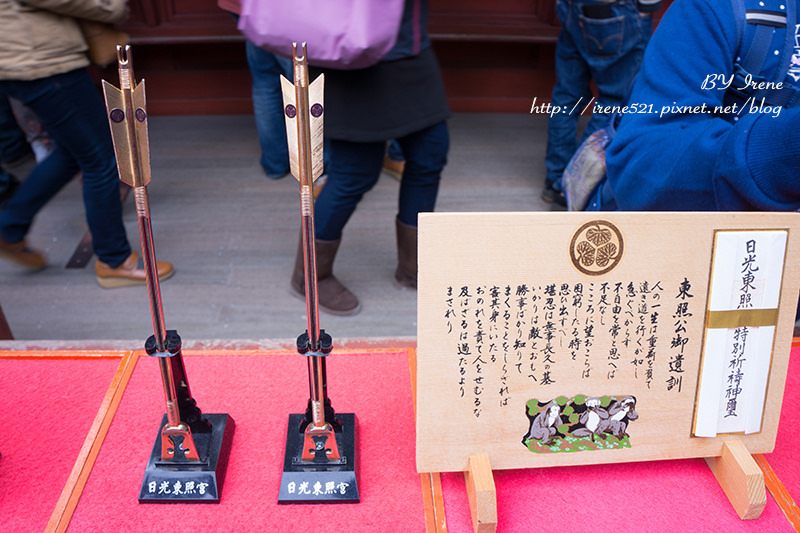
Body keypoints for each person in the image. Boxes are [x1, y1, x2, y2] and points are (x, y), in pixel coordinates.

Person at [290, 0, 451, 316]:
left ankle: (411, 267)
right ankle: (309, 276)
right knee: (355, 173)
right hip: (353, 52)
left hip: (410, 47)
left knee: (429, 154)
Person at [0, 0, 173, 286]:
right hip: (42, 61)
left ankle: (10, 227)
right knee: (103, 158)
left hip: (27, 57)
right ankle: (114, 260)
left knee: (72, 152)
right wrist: (109, 6)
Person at [591, 0, 800, 211]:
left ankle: (558, 174)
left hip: (591, 17)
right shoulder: (721, 9)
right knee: (608, 96)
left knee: (576, 93)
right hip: (617, 18)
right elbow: (643, 163)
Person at [543, 0, 659, 206]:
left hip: (571, 7)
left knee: (567, 96)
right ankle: (573, 186)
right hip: (619, 10)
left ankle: (556, 179)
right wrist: (646, 8)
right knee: (613, 101)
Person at [218, 0, 293, 180]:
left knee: (265, 82)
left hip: (246, 5)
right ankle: (316, 165)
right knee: (302, 86)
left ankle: (275, 163)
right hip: (288, 8)